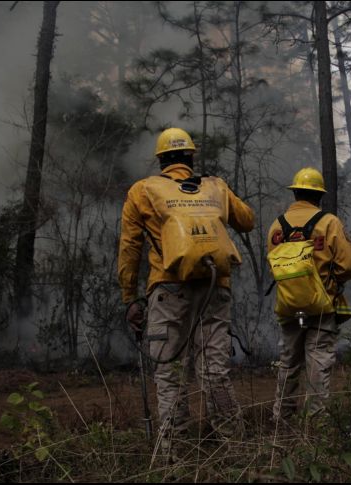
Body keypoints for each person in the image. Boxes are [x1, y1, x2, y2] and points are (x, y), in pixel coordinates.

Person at [118, 127, 255, 455]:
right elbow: (247, 221)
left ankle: (176, 457)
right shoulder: (215, 186)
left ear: (161, 159)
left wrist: (130, 299)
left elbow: (129, 249)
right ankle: (235, 452)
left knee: (169, 374)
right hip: (214, 287)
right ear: (191, 158)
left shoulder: (142, 190)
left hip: (168, 290)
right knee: (214, 372)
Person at [267, 167, 351, 424]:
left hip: (287, 305)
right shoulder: (329, 223)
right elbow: (348, 265)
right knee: (318, 361)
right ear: (319, 196)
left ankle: (281, 418)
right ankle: (316, 422)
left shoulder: (277, 226)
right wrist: (331, 281)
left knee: (288, 362)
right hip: (321, 304)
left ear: (295, 193)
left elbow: (273, 264)